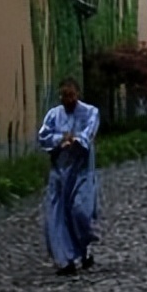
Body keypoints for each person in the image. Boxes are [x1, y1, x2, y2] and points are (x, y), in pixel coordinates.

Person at [37, 77, 100, 275]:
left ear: (78, 94)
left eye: (71, 95)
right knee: (57, 217)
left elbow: (88, 133)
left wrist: (75, 140)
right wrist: (58, 140)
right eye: (64, 95)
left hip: (81, 171)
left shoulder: (90, 112)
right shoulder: (53, 115)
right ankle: (66, 259)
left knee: (79, 211)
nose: (68, 99)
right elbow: (43, 136)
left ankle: (84, 248)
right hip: (59, 172)